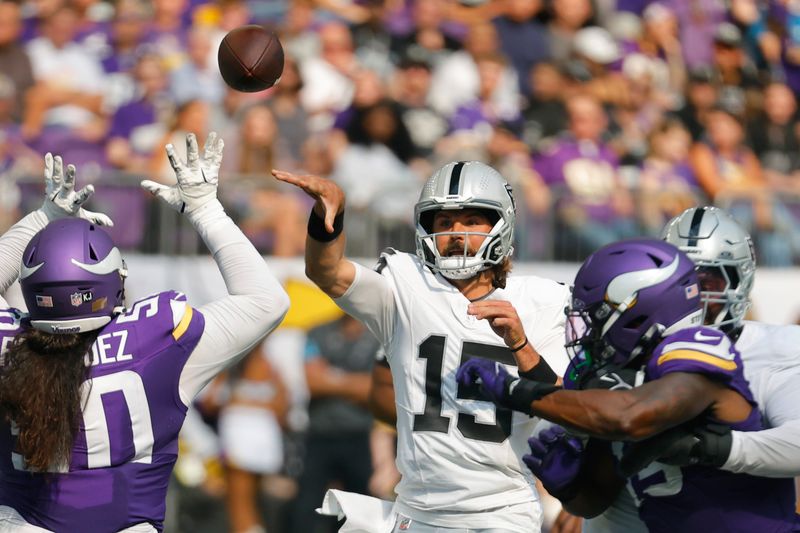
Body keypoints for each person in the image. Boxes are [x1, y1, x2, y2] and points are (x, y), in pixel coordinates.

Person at [0, 132, 290, 532]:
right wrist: (206, 209)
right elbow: (266, 300)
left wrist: (42, 218)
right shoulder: (157, 339)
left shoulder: (10, 345)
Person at [273, 160, 571, 532]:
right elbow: (327, 271)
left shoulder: (542, 301)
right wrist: (325, 218)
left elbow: (564, 404)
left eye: (471, 221)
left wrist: (521, 344)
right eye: (443, 222)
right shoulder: (406, 284)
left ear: (501, 224)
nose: (455, 233)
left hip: (502, 512)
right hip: (419, 512)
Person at [458, 238, 798, 532]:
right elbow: (595, 500)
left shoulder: (698, 346)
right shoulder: (608, 376)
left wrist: (516, 391)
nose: (586, 328)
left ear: (640, 311)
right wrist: (569, 486)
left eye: (596, 314)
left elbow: (630, 416)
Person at [569, 206, 800, 533]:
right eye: (685, 281)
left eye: (708, 280)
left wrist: (708, 448)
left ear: (739, 280)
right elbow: (601, 487)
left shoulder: (776, 348)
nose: (697, 296)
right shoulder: (625, 349)